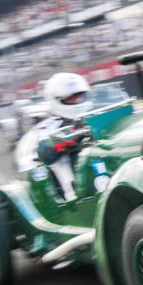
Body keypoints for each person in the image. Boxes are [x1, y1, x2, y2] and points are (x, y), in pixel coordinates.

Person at [33, 72, 93, 201]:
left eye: (79, 96)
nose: (76, 101)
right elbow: (45, 152)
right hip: (76, 189)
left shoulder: (93, 115)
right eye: (70, 99)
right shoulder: (49, 126)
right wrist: (68, 137)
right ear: (56, 100)